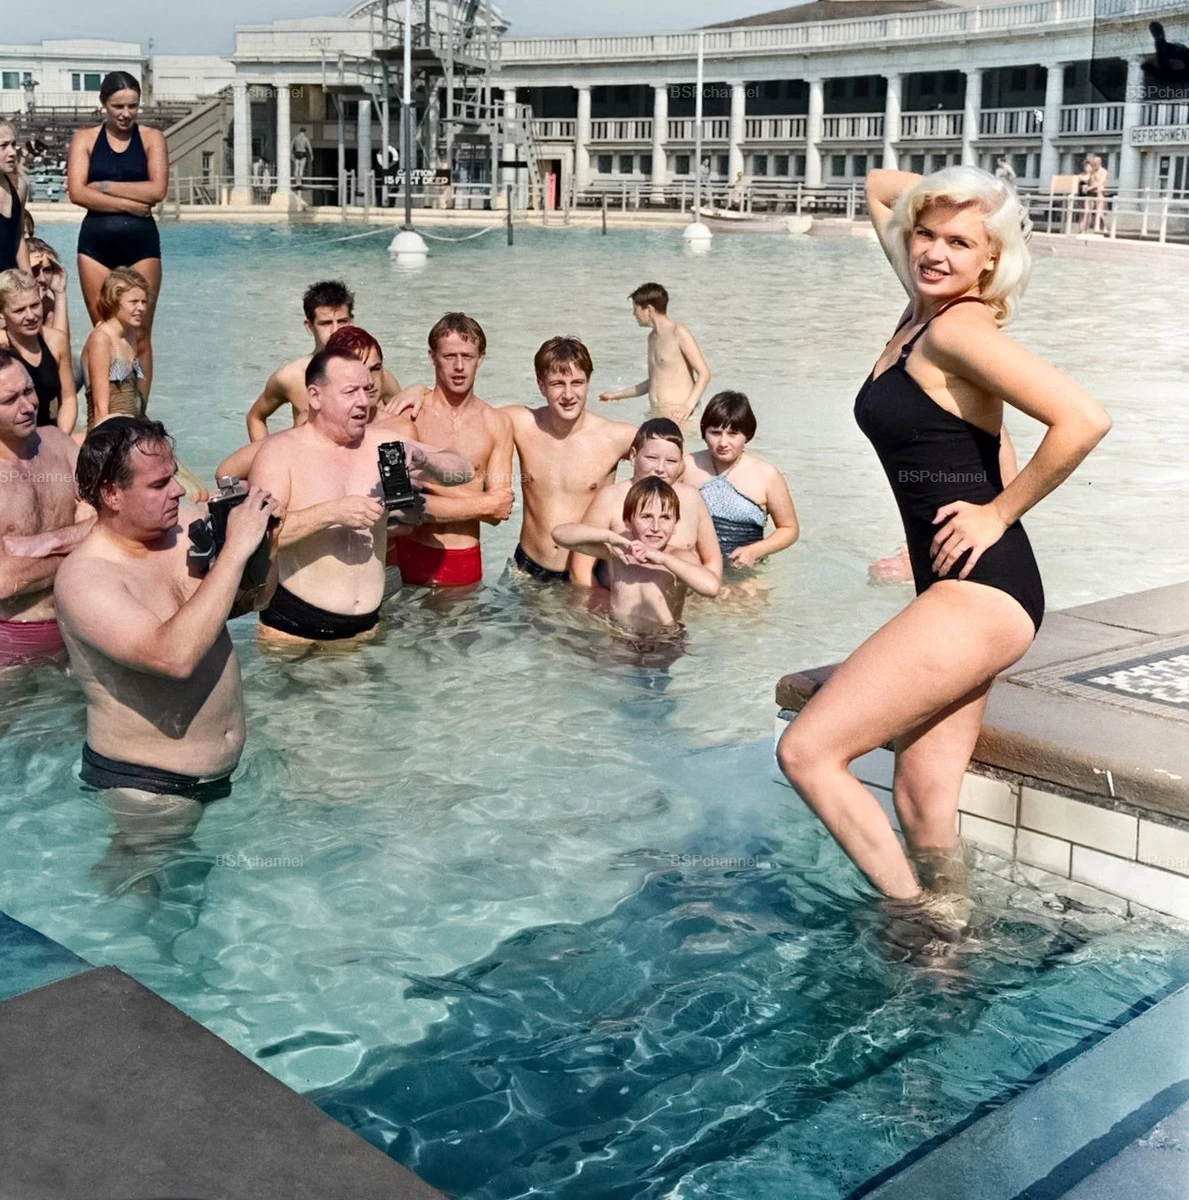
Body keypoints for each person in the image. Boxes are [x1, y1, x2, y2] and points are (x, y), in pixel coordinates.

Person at [777, 166, 1110, 915]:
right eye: (925, 234)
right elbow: (878, 185)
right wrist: (965, 199)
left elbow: (1083, 420)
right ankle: (955, 932)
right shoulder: (921, 305)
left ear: (992, 257)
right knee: (923, 797)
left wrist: (996, 512)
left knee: (807, 752)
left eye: (960, 242)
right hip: (966, 588)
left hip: (981, 589)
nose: (934, 252)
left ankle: (916, 922)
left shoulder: (959, 327)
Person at [54, 417, 277, 821]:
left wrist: (264, 545)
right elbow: (173, 658)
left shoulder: (184, 526)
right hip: (146, 784)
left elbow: (250, 602)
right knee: (147, 867)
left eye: (173, 475)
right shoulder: (85, 578)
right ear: (112, 493)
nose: (178, 490)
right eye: (158, 484)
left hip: (219, 773)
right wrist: (234, 551)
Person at [249, 345, 472, 642]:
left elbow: (463, 471)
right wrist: (331, 513)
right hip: (295, 631)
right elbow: (257, 538)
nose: (363, 401)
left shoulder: (383, 445)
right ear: (315, 396)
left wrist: (426, 460)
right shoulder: (280, 453)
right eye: (350, 392)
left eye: (366, 390)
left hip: (367, 629)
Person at [389, 313, 513, 588]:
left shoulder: (497, 423)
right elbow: (398, 504)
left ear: (480, 358)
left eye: (467, 356)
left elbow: (500, 510)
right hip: (408, 553)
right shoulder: (410, 415)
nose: (459, 366)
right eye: (449, 356)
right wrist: (481, 502)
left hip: (463, 559)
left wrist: (427, 490)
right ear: (432, 357)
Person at [503, 336, 635, 583]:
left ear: (587, 383)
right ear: (541, 385)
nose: (568, 394)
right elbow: (471, 417)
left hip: (585, 575)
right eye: (557, 383)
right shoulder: (522, 424)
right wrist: (425, 394)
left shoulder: (615, 437)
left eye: (577, 383)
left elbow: (673, 461)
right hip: (527, 570)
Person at [66, 72, 167, 392]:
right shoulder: (84, 138)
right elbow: (77, 193)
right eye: (118, 106)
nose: (126, 113)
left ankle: (139, 411)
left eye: (133, 106)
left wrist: (106, 186)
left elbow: (157, 190)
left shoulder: (151, 138)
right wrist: (131, 205)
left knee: (141, 333)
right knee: (103, 331)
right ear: (103, 104)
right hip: (95, 247)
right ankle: (102, 406)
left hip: (141, 247)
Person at [217, 323, 407, 481]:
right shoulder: (311, 424)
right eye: (357, 373)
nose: (369, 381)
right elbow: (227, 471)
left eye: (375, 368)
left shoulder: (398, 430)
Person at [0, 349, 94, 665]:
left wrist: (52, 541)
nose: (28, 406)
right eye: (10, 400)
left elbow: (114, 520)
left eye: (28, 390)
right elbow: (3, 583)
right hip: (10, 639)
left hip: (80, 625)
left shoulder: (57, 442)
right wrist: (81, 546)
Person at [569, 417, 722, 589]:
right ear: (633, 455)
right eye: (652, 458)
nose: (661, 468)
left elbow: (712, 561)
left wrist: (702, 603)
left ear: (681, 463)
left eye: (671, 461)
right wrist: (601, 603)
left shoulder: (692, 499)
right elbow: (580, 570)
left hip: (675, 603)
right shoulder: (610, 498)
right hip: (616, 599)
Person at [554, 477, 720, 632]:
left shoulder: (678, 557)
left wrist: (663, 558)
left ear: (675, 525)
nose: (655, 527)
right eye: (646, 517)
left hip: (664, 639)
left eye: (665, 518)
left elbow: (711, 588)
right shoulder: (619, 552)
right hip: (621, 634)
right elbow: (559, 535)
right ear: (628, 522)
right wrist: (608, 536)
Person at [244, 280, 402, 441]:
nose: (335, 330)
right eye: (325, 323)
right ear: (309, 326)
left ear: (351, 320)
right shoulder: (291, 377)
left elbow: (403, 416)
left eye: (342, 321)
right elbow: (255, 417)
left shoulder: (375, 375)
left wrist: (416, 392)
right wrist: (264, 453)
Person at [680, 390, 799, 568]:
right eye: (715, 433)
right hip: (692, 566)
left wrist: (754, 551)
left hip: (744, 568)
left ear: (747, 435)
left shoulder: (766, 474)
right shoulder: (685, 465)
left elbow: (789, 529)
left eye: (733, 433)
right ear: (704, 432)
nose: (723, 443)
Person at [598, 282, 711, 426]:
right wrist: (616, 395)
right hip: (655, 413)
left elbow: (704, 374)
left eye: (635, 309)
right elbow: (653, 381)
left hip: (679, 415)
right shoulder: (652, 337)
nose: (634, 314)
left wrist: (687, 407)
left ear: (649, 310)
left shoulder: (678, 332)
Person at [0, 269, 77, 433]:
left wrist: (61, 436)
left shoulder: (56, 341)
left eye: (35, 305)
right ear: (2, 313)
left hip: (47, 431)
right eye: (19, 310)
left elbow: (69, 398)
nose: (31, 316)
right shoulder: (1, 346)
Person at [81, 267, 149, 429]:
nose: (141, 308)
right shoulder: (101, 339)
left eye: (144, 302)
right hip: (109, 432)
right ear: (113, 301)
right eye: (134, 302)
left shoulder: (129, 334)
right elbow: (100, 408)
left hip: (131, 428)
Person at [27, 236, 72, 345]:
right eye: (34, 270)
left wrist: (60, 292)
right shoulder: (6, 310)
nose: (42, 279)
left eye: (47, 270)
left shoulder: (51, 308)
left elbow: (61, 348)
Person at [0, 120, 30, 274]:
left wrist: (29, 280)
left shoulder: (19, 188)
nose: (12, 152)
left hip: (9, 281)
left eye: (13, 144)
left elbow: (18, 239)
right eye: (3, 146)